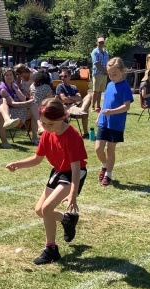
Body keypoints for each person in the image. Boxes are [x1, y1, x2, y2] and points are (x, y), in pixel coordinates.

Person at [6, 98, 87, 265]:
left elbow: (76, 168)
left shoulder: (72, 136)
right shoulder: (47, 134)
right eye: (43, 123)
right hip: (58, 171)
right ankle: (67, 219)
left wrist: (73, 195)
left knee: (47, 208)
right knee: (40, 210)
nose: (47, 127)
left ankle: (51, 249)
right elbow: (37, 159)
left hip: (73, 173)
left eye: (51, 124)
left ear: (62, 117)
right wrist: (17, 164)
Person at [95, 57, 133, 187]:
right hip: (104, 121)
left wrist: (111, 112)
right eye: (109, 74)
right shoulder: (109, 85)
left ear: (122, 71)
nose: (111, 77)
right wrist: (99, 116)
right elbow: (105, 103)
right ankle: (105, 165)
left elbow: (126, 106)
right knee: (98, 148)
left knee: (110, 149)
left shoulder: (125, 86)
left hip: (116, 123)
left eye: (114, 74)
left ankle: (108, 175)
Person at [0, 66, 42, 145]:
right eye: (7, 75)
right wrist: (27, 103)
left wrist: (16, 89)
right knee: (32, 105)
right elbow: (13, 104)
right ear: (3, 77)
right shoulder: (2, 89)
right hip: (9, 112)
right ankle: (40, 126)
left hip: (19, 110)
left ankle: (35, 137)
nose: (9, 77)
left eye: (11, 74)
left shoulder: (14, 85)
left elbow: (23, 99)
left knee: (34, 105)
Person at [55, 70, 92, 138]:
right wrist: (74, 98)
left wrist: (69, 97)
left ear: (69, 77)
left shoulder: (73, 87)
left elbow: (79, 98)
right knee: (85, 113)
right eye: (61, 76)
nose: (62, 78)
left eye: (65, 76)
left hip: (76, 106)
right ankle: (86, 133)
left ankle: (82, 110)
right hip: (68, 107)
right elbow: (64, 99)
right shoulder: (60, 86)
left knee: (89, 96)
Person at [91, 36, 109, 111]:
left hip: (104, 74)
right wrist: (104, 70)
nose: (101, 44)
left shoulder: (106, 52)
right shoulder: (95, 52)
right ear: (97, 43)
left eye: (102, 42)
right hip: (97, 74)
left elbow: (108, 63)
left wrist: (107, 71)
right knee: (95, 91)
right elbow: (96, 63)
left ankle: (98, 106)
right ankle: (92, 107)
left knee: (100, 91)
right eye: (100, 42)